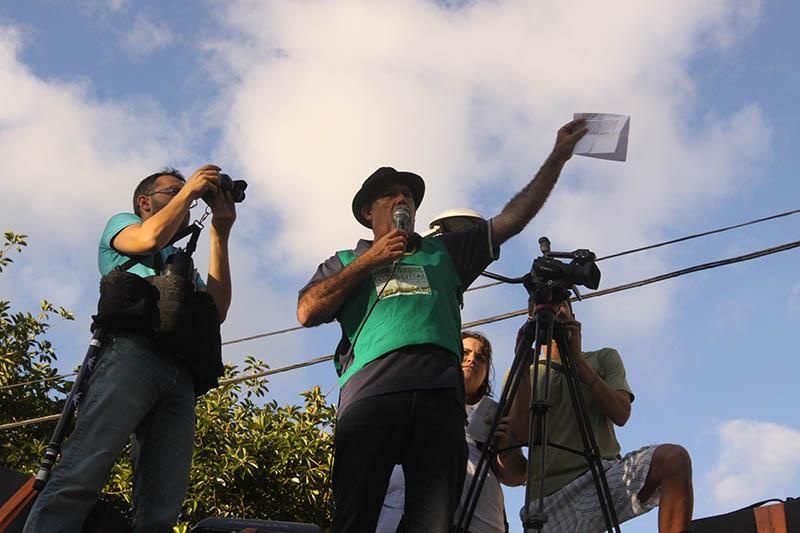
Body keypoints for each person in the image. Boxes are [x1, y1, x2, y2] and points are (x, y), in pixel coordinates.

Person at [297, 119, 588, 532]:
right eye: (390, 195)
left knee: (433, 523)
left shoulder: (443, 252)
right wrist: (370, 260)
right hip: (372, 391)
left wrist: (557, 158)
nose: (404, 200)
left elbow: (511, 219)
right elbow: (308, 310)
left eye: (410, 196)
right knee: (354, 517)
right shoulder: (343, 261)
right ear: (367, 211)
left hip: (439, 397)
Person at [25, 165, 236, 532]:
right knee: (84, 468)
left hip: (181, 374)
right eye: (173, 191)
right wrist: (191, 191)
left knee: (163, 504)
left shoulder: (179, 263)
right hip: (131, 353)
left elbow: (215, 310)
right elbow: (147, 239)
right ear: (145, 201)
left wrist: (220, 230)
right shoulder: (124, 225)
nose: (184, 198)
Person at [506, 301, 694, 533]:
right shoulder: (521, 372)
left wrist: (578, 362)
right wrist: (522, 368)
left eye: (560, 304)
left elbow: (621, 413)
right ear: (531, 317)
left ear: (573, 316)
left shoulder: (603, 357)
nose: (554, 311)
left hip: (601, 478)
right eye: (547, 304)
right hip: (548, 498)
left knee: (673, 459)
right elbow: (522, 434)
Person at [376, 331, 526, 533]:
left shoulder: (493, 417)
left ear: (485, 377)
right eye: (464, 353)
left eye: (481, 358)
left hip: (479, 521)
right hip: (407, 513)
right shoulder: (414, 398)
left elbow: (516, 476)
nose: (472, 359)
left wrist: (505, 446)